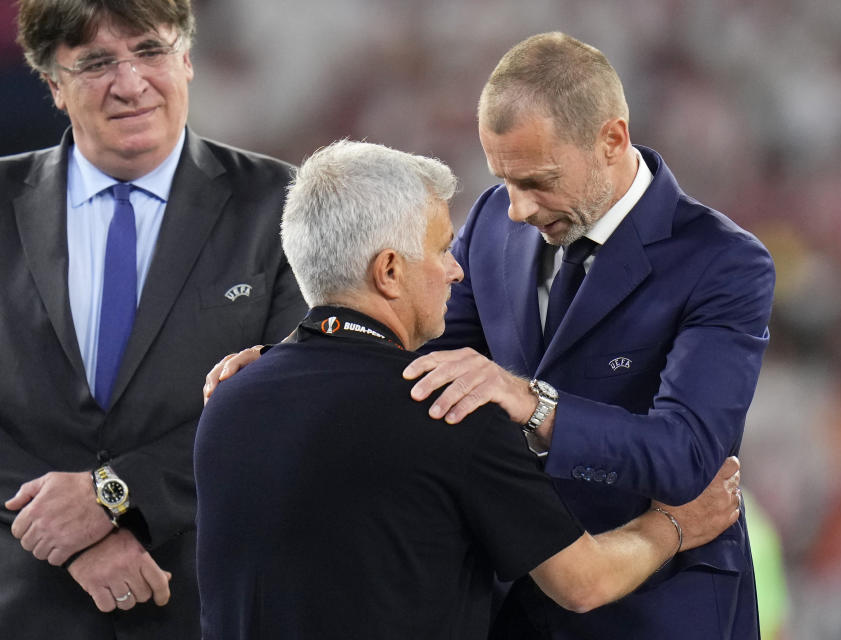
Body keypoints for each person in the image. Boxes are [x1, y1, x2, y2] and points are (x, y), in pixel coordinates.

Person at [207, 32, 775, 639]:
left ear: (612, 140)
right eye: (504, 178)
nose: (517, 209)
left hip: (656, 607)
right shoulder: (491, 227)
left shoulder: (724, 262)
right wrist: (297, 366)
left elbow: (691, 457)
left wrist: (537, 407)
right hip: (513, 606)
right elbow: (414, 361)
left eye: (537, 181)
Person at [0, 1, 306, 637]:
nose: (130, 83)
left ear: (188, 59)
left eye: (149, 51)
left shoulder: (281, 206)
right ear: (53, 86)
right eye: (95, 63)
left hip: (205, 603)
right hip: (25, 599)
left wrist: (114, 497)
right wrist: (66, 531)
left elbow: (291, 408)